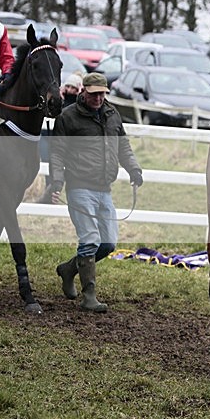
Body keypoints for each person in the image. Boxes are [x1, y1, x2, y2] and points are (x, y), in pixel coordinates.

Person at [49, 72, 143, 312]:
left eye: (102, 94)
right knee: (90, 239)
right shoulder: (68, 118)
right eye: (94, 94)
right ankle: (89, 295)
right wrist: (57, 182)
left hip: (104, 189)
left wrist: (133, 169)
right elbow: (57, 153)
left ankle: (69, 269)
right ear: (83, 92)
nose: (99, 98)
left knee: (108, 243)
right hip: (79, 186)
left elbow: (123, 147)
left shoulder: (112, 115)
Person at [36, 73, 84, 203]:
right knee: (47, 162)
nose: (69, 90)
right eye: (67, 86)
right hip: (48, 137)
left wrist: (79, 96)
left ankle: (55, 192)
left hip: (65, 141)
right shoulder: (57, 101)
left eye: (73, 87)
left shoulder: (79, 104)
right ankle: (50, 192)